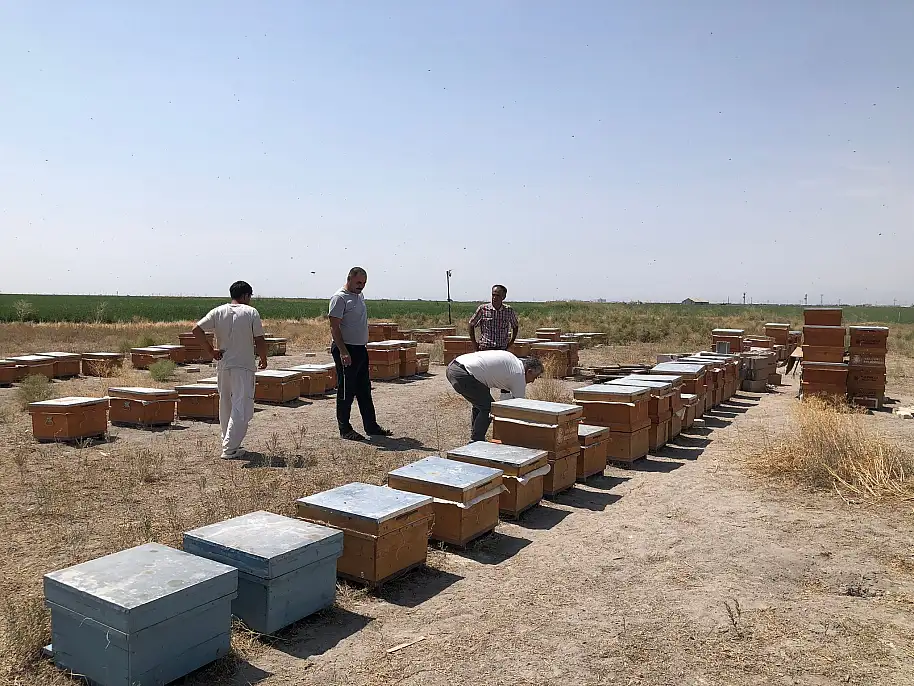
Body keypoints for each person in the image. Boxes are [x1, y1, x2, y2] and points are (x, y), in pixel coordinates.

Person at [192, 280, 268, 459]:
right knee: (242, 405)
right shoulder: (251, 312)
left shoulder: (218, 311)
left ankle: (228, 440)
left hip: (224, 364)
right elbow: (259, 339)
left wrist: (211, 351)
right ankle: (229, 447)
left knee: (225, 403)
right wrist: (263, 358)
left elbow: (196, 329)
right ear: (246, 295)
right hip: (243, 366)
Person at [329, 267, 393, 441]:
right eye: (358, 282)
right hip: (346, 349)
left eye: (364, 283)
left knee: (364, 389)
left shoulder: (359, 296)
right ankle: (345, 428)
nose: (361, 286)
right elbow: (334, 327)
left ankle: (371, 426)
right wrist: (343, 351)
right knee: (346, 390)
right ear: (349, 279)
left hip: (360, 349)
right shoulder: (339, 298)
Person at [446, 350, 544, 442]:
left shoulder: (512, 363)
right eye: (534, 377)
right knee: (488, 408)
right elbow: (519, 408)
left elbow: (506, 399)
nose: (533, 381)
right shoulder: (518, 375)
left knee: (480, 404)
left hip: (454, 367)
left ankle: (476, 436)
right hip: (463, 374)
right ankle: (476, 440)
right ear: (529, 371)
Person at [469, 284, 519, 352]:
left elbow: (515, 326)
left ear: (503, 297)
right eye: (493, 295)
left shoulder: (508, 310)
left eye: (497, 295)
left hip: (502, 349)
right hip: (485, 348)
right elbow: (471, 324)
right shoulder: (483, 309)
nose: (494, 297)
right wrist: (474, 343)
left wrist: (511, 342)